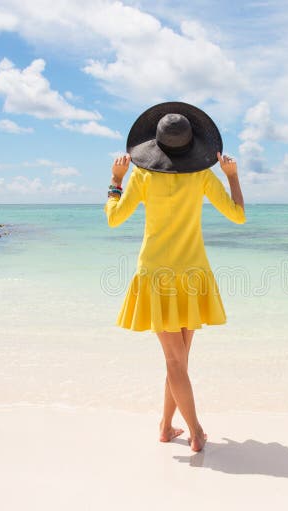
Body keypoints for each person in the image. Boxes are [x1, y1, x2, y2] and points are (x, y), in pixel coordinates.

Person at [104, 102, 246, 453]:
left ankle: (182, 429)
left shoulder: (142, 176)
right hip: (193, 274)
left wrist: (115, 181)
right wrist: (232, 176)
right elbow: (238, 216)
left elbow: (114, 219)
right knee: (179, 361)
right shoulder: (202, 176)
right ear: (191, 144)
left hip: (156, 274)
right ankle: (176, 427)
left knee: (175, 362)